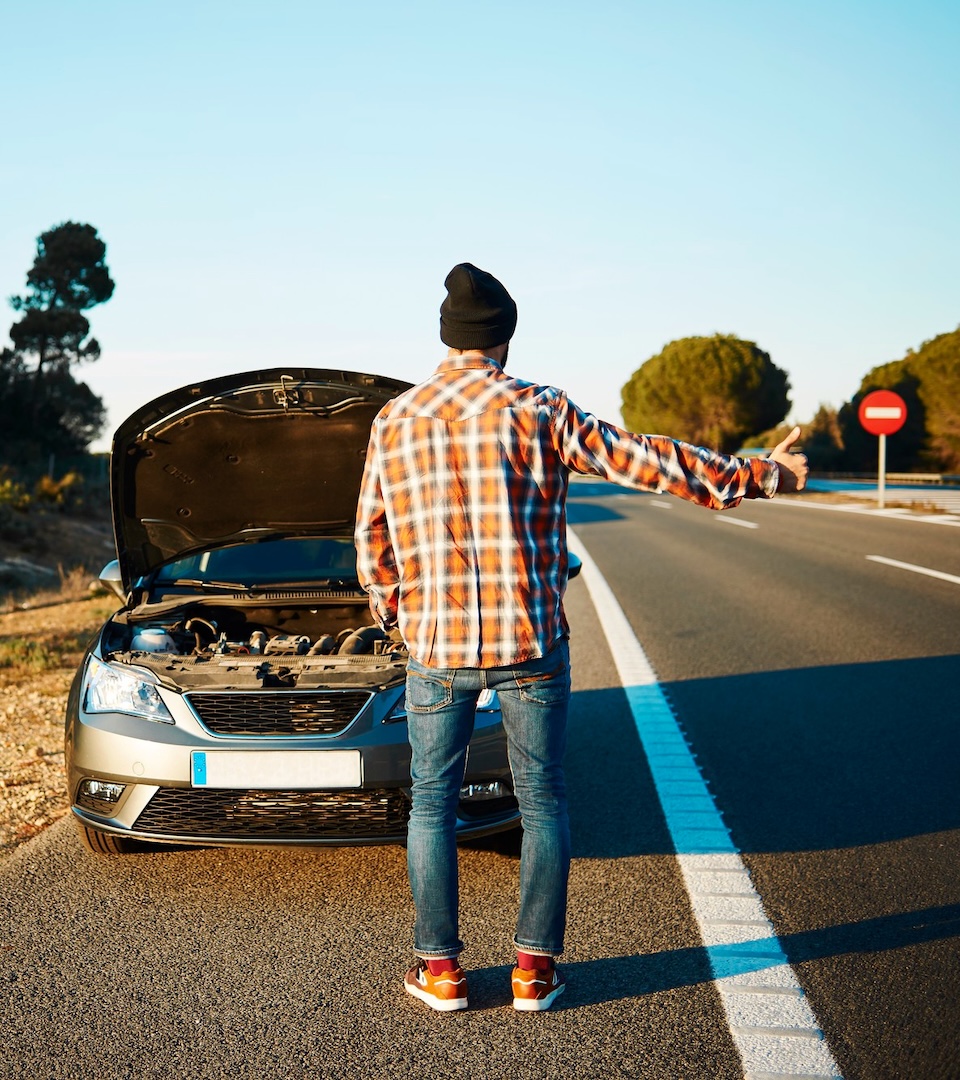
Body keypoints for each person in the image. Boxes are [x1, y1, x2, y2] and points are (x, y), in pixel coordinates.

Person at [355, 263, 808, 1013]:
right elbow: (646, 460)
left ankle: (441, 972)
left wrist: (398, 616)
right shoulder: (539, 408)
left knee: (430, 805)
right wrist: (759, 475)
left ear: (446, 338)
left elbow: (371, 539)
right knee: (544, 799)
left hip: (436, 650)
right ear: (504, 337)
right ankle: (535, 971)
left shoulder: (395, 419)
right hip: (531, 645)